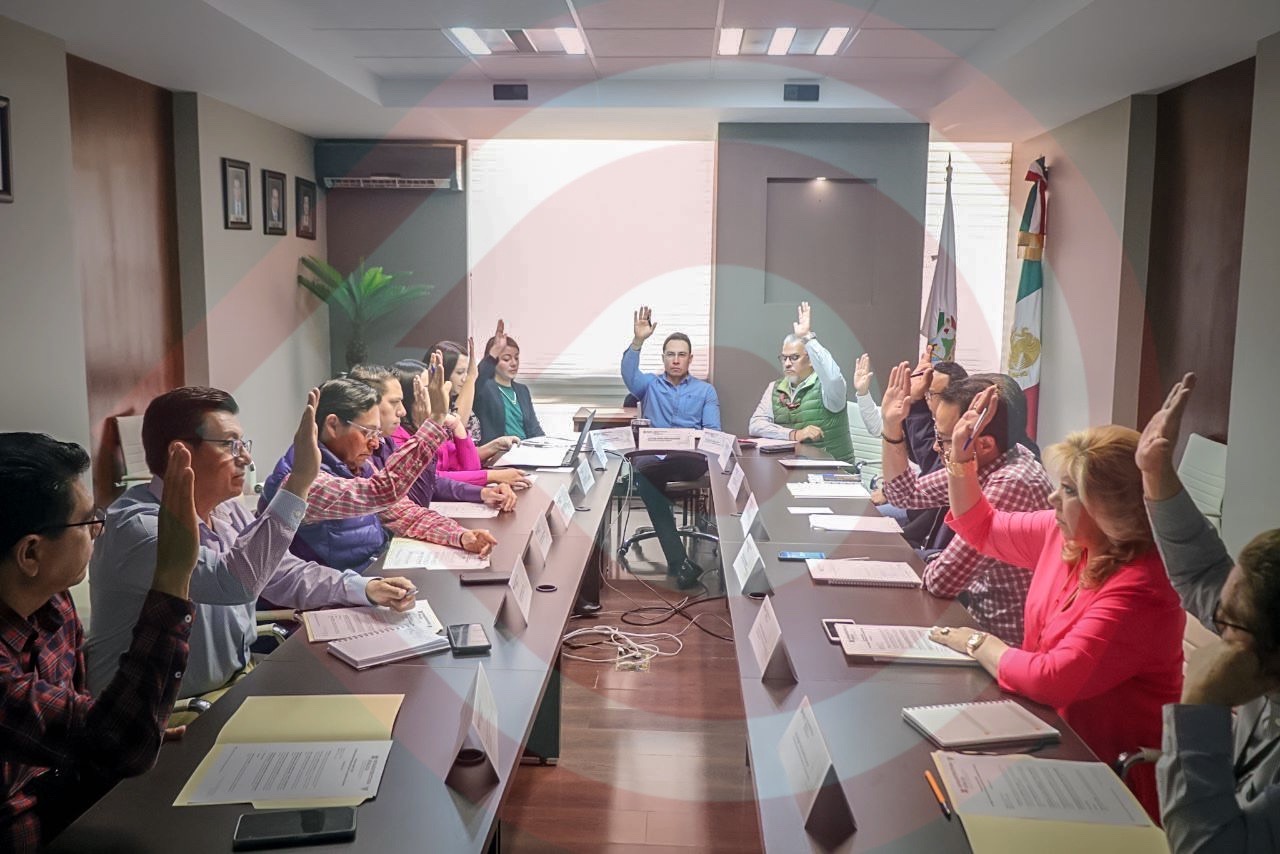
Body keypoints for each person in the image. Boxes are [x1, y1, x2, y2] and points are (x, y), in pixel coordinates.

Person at [928, 384, 1185, 819]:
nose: (1052, 499)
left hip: (1105, 778)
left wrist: (979, 643)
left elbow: (1053, 678)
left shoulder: (1143, 588)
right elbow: (980, 527)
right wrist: (961, 458)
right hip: (1045, 734)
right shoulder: (1065, 536)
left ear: (1110, 509)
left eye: (1067, 489)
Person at [87, 387, 418, 698]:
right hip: (163, 714)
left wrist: (364, 588)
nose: (245, 458)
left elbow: (283, 573)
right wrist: (299, 482)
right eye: (230, 445)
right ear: (180, 454)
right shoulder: (138, 529)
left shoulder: (226, 510)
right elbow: (233, 583)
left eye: (243, 444)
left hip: (231, 686)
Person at [0, 434, 199, 850]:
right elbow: (119, 744)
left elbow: (93, 735)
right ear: (30, 554)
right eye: (87, 520)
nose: (97, 530)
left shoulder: (53, 602)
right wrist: (173, 573)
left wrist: (125, 729)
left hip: (72, 810)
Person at [1136, 372, 1280, 852]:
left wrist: (1200, 707)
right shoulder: (1261, 635)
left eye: (1227, 626)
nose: (1216, 626)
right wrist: (1156, 474)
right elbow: (1202, 573)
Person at [881, 371, 1052, 645]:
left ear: (984, 444)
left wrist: (933, 560)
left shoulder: (1012, 482)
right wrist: (891, 427)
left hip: (1001, 643)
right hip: (974, 625)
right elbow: (903, 494)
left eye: (945, 439)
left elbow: (941, 582)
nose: (935, 447)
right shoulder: (993, 459)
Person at [260, 373, 496, 570]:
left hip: (370, 575)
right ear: (333, 425)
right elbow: (380, 492)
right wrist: (434, 421)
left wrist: (460, 535)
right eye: (367, 432)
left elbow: (404, 513)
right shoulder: (300, 481)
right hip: (333, 597)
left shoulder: (356, 464)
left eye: (376, 433)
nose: (375, 444)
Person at [622, 305, 722, 588]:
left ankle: (679, 562)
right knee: (646, 475)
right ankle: (680, 563)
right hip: (653, 457)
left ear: (690, 359)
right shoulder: (649, 386)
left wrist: (687, 440)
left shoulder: (705, 391)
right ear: (663, 357)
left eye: (681, 354)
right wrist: (638, 341)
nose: (676, 360)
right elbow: (629, 375)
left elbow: (713, 432)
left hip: (687, 459)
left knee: (643, 478)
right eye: (670, 354)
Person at [347, 363, 518, 511]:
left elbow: (461, 471)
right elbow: (418, 497)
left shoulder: (387, 440)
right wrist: (490, 477)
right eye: (428, 391)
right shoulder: (394, 437)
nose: (402, 411)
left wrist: (483, 493)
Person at [748, 302, 855, 463]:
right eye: (784, 358)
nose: (787, 363)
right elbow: (756, 425)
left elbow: (833, 377)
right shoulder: (775, 388)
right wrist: (794, 434)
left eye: (794, 357)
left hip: (833, 470)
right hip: (793, 467)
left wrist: (808, 339)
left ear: (810, 359)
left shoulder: (827, 388)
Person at [421, 340, 523, 467]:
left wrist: (496, 445)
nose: (465, 378)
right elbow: (457, 455)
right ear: (443, 373)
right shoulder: (429, 407)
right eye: (460, 372)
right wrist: (471, 377)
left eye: (467, 372)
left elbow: (469, 453)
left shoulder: (456, 399)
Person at [474, 319, 545, 445]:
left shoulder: (522, 390)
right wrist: (493, 353)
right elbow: (475, 380)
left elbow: (534, 429)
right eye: (506, 359)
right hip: (500, 451)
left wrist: (547, 445)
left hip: (525, 448)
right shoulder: (485, 388)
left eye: (516, 358)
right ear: (494, 361)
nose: (514, 363)